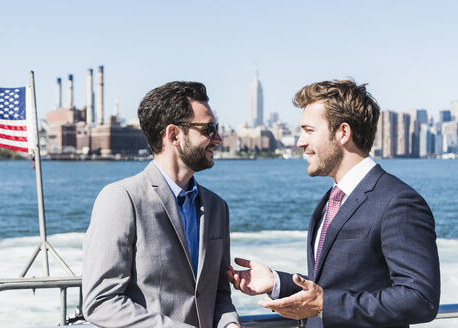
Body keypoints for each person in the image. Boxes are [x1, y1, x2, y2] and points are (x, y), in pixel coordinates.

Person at [227, 80, 440, 328]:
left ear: (343, 133)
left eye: (308, 130)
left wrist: (325, 304)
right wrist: (276, 282)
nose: (299, 142)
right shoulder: (331, 199)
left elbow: (420, 299)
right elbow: (335, 285)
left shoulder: (398, 202)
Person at [82, 81, 240, 328]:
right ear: (174, 135)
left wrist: (230, 324)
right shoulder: (122, 198)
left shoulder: (217, 207)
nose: (218, 138)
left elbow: (219, 294)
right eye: (209, 129)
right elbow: (101, 302)